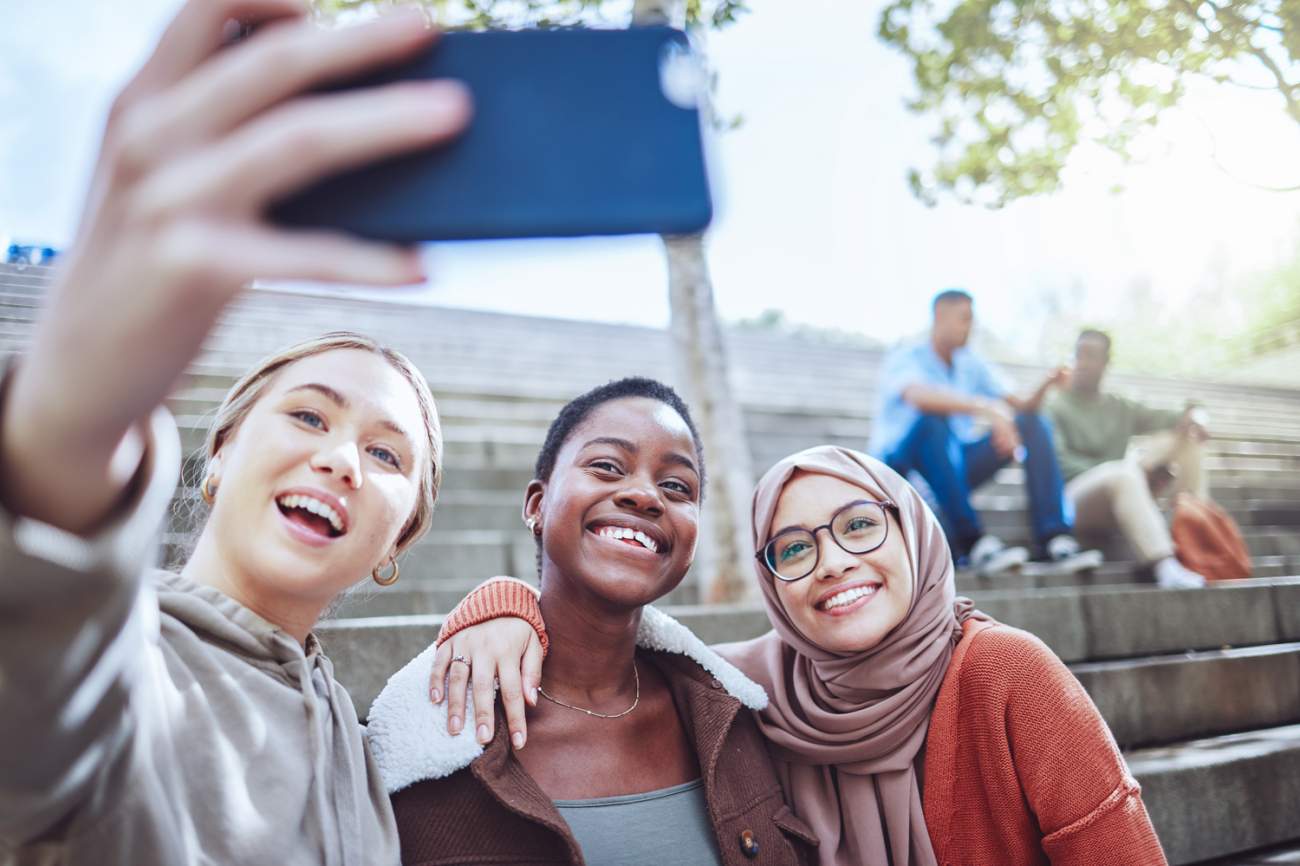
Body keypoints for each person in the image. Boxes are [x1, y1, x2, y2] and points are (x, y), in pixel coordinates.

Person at [0, 1, 473, 862]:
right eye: (307, 414)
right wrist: (57, 445)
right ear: (217, 456)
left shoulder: (357, 728)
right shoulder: (112, 673)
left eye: (384, 452)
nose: (340, 459)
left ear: (397, 541)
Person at [436, 445, 1168, 865]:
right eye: (794, 547)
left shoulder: (1009, 673)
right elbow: (612, 646)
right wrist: (503, 601)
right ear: (770, 579)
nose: (832, 562)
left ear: (911, 531)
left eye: (858, 525)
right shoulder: (751, 686)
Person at [364, 378, 817, 866]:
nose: (646, 495)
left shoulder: (734, 710)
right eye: (606, 467)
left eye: (676, 486)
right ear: (537, 505)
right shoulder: (428, 735)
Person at [867, 289, 1100, 577]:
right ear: (940, 316)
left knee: (1033, 421)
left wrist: (1047, 384)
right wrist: (989, 408)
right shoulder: (906, 356)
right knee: (932, 422)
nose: (971, 327)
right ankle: (972, 544)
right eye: (964, 319)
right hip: (900, 470)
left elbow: (1021, 404)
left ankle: (1054, 538)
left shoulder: (970, 362)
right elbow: (918, 397)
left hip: (952, 467)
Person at [1045, 330, 1211, 589]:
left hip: (1122, 486)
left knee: (1184, 439)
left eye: (1091, 355)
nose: (1083, 362)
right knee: (1124, 473)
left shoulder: (1119, 406)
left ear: (1106, 362)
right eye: (1079, 354)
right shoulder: (1055, 406)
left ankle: (1197, 528)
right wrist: (1130, 472)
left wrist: (1197, 417)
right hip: (1075, 498)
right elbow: (1057, 462)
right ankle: (1164, 565)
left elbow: (1171, 417)